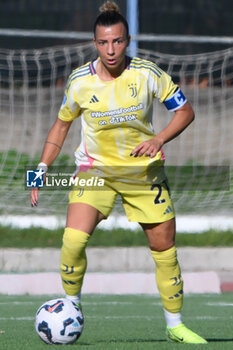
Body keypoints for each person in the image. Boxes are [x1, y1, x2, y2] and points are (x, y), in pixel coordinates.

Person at [31, 1, 207, 344]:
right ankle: (72, 309)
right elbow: (61, 125)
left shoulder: (148, 73)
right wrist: (41, 169)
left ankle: (175, 325)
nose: (110, 50)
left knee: (164, 249)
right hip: (96, 172)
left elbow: (185, 111)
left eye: (117, 41)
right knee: (73, 240)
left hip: (143, 175)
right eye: (103, 43)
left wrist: (158, 139)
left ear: (127, 40)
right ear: (94, 43)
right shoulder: (80, 81)